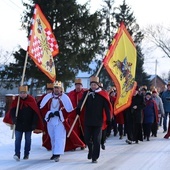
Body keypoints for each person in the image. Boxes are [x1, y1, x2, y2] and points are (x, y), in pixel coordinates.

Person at [40, 81, 85, 162]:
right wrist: (48, 114)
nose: (56, 89)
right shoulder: (48, 97)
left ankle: (58, 153)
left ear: (61, 89)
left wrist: (60, 113)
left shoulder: (65, 97)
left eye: (58, 88)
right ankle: (54, 153)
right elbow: (42, 108)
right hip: (50, 120)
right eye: (55, 88)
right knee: (52, 137)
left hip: (60, 121)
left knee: (59, 137)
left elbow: (69, 111)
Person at [76, 76, 112, 163]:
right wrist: (79, 108)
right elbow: (81, 102)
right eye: (92, 85)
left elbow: (107, 108)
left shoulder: (102, 95)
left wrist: (108, 118)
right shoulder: (86, 94)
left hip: (98, 121)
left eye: (94, 85)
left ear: (98, 85)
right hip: (88, 120)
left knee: (96, 139)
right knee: (87, 138)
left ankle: (95, 157)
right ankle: (90, 149)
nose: (93, 86)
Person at [3, 85, 44, 161]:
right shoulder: (17, 100)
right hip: (19, 124)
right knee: (18, 139)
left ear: (27, 93)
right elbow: (12, 110)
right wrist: (13, 118)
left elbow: (35, 113)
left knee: (28, 139)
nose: (22, 94)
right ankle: (17, 154)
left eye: (24, 93)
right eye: (21, 93)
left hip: (28, 124)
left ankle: (26, 154)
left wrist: (34, 123)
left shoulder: (31, 100)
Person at [67, 79, 86, 149]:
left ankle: (83, 143)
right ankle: (74, 144)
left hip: (82, 115)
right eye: (77, 85)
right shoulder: (70, 93)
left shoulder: (85, 93)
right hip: (73, 115)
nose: (78, 87)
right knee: (74, 130)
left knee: (82, 130)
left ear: (82, 86)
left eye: (79, 85)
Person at [37, 83, 54, 151]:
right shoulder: (43, 97)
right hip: (45, 117)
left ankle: (53, 145)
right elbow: (39, 107)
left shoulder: (55, 97)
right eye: (48, 90)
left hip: (54, 117)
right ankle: (47, 144)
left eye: (51, 90)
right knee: (46, 132)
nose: (49, 91)